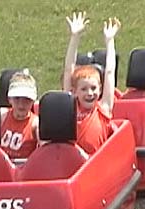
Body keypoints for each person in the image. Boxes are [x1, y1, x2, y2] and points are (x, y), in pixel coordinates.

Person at [62, 12, 120, 154]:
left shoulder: (103, 109)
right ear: (75, 91)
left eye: (93, 88)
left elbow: (110, 72)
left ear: (100, 90)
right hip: (73, 165)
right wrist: (75, 37)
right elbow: (69, 68)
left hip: (95, 167)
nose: (90, 93)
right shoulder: (70, 109)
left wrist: (110, 41)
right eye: (84, 89)